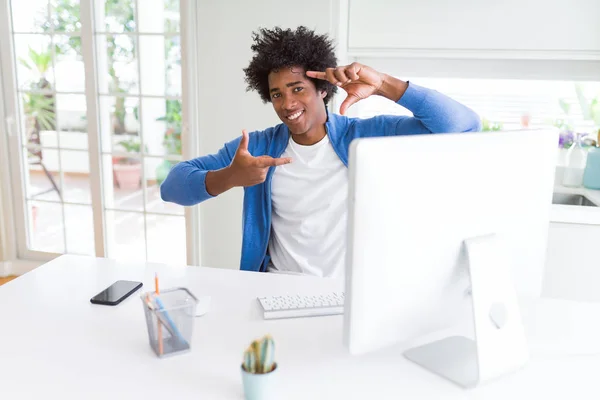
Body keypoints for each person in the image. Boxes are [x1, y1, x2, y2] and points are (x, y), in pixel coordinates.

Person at [160, 26, 481, 277]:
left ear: (323, 89)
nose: (287, 104)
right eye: (276, 94)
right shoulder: (257, 147)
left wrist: (383, 84)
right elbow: (172, 188)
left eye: (297, 89)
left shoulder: (367, 136)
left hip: (351, 294)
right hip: (276, 287)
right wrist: (230, 176)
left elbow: (462, 126)